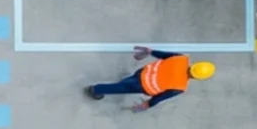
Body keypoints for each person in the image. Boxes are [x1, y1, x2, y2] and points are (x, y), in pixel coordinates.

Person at [86, 48, 214, 110]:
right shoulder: (180, 87)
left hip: (143, 72)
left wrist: (149, 51)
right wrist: (147, 105)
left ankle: (121, 83)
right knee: (121, 88)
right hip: (143, 86)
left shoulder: (180, 58)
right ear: (197, 78)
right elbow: (159, 98)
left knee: (128, 81)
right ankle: (96, 90)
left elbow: (162, 54)